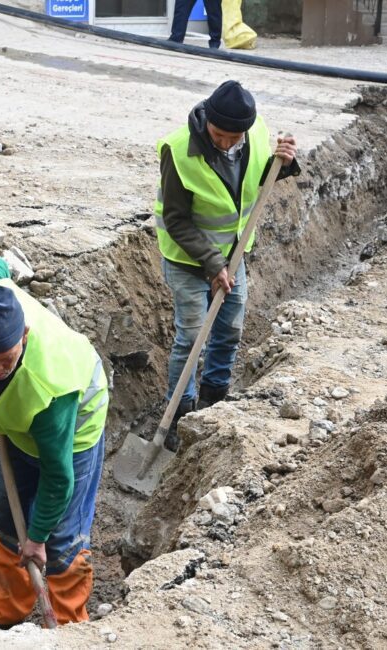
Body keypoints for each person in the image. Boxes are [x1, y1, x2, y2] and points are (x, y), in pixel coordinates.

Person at [0, 256, 108, 628]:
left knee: (61, 542)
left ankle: (68, 623)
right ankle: (4, 611)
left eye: (5, 360)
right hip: (20, 420)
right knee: (9, 522)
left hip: (75, 426)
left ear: (23, 336)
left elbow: (58, 479)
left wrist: (37, 538)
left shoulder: (48, 389)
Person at [155, 80, 300, 451]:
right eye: (219, 136)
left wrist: (283, 163)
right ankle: (178, 418)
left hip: (233, 256)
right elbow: (176, 219)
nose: (225, 144)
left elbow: (254, 183)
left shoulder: (254, 134)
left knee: (230, 329)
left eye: (233, 138)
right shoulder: (179, 151)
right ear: (207, 122)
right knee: (190, 338)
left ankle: (212, 401)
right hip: (188, 258)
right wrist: (212, 263)